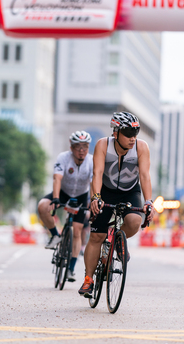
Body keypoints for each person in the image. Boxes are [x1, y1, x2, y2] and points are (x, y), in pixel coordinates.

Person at [78, 111, 154, 297]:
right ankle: (88, 280)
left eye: (135, 132)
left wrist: (148, 202)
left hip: (130, 191)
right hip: (106, 191)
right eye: (128, 133)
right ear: (115, 132)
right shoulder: (103, 145)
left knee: (135, 221)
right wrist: (96, 197)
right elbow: (97, 173)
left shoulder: (141, 147)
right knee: (97, 236)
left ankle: (116, 243)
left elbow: (144, 176)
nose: (132, 138)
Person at [37, 131, 93, 282]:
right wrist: (55, 198)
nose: (81, 150)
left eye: (85, 146)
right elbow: (57, 178)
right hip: (63, 193)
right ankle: (55, 235)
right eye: (78, 146)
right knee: (42, 206)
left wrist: (93, 201)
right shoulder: (63, 157)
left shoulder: (91, 161)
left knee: (77, 231)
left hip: (81, 196)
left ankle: (71, 269)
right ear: (71, 147)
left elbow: (94, 183)